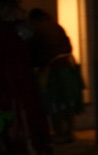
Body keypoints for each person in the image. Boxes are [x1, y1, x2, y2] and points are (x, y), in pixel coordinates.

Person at [0, 0, 53, 155]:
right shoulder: (12, 33)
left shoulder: (0, 34)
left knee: (17, 125)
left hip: (11, 89)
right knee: (24, 125)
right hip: (18, 89)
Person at [28, 8, 85, 145]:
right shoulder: (56, 26)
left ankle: (59, 132)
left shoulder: (37, 29)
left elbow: (35, 51)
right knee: (67, 102)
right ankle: (69, 131)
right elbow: (68, 45)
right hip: (68, 67)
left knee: (54, 102)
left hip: (53, 69)